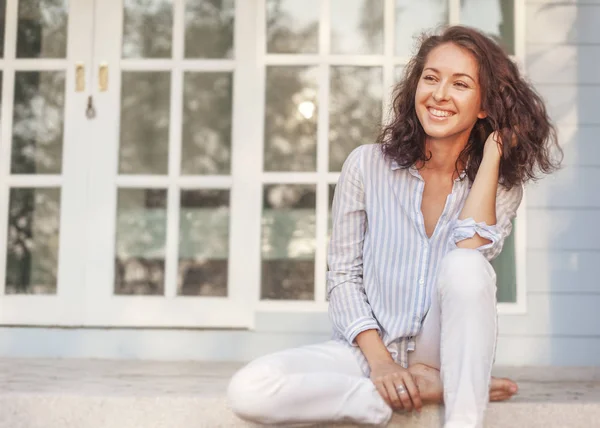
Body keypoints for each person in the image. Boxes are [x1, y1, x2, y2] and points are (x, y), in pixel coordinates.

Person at [227, 25, 561, 428]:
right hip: (367, 354)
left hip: (444, 354)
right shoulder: (366, 166)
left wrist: (493, 156)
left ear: (485, 104)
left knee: (466, 264)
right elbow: (344, 277)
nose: (439, 94)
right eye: (431, 78)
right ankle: (401, 396)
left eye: (460, 84)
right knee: (251, 389)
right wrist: (383, 367)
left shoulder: (498, 186)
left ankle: (458, 408)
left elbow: (472, 254)